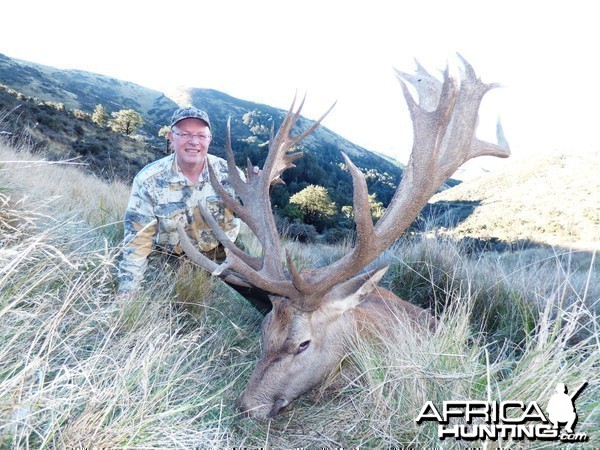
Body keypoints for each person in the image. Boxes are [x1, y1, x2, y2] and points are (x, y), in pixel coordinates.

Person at [117, 106, 271, 313]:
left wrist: (259, 190)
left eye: (200, 135)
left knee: (270, 298)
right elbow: (138, 241)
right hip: (170, 257)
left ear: (209, 139)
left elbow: (256, 216)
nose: (193, 141)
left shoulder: (229, 174)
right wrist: (127, 292)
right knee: (160, 307)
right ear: (171, 137)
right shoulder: (149, 180)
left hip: (225, 254)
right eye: (185, 134)